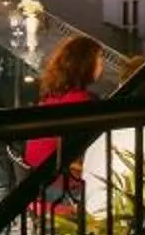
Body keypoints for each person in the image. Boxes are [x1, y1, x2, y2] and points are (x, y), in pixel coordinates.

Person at [24, 34, 103, 200]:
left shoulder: (54, 93)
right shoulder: (81, 103)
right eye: (99, 59)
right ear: (86, 65)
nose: (102, 65)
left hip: (33, 180)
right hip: (57, 189)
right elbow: (79, 159)